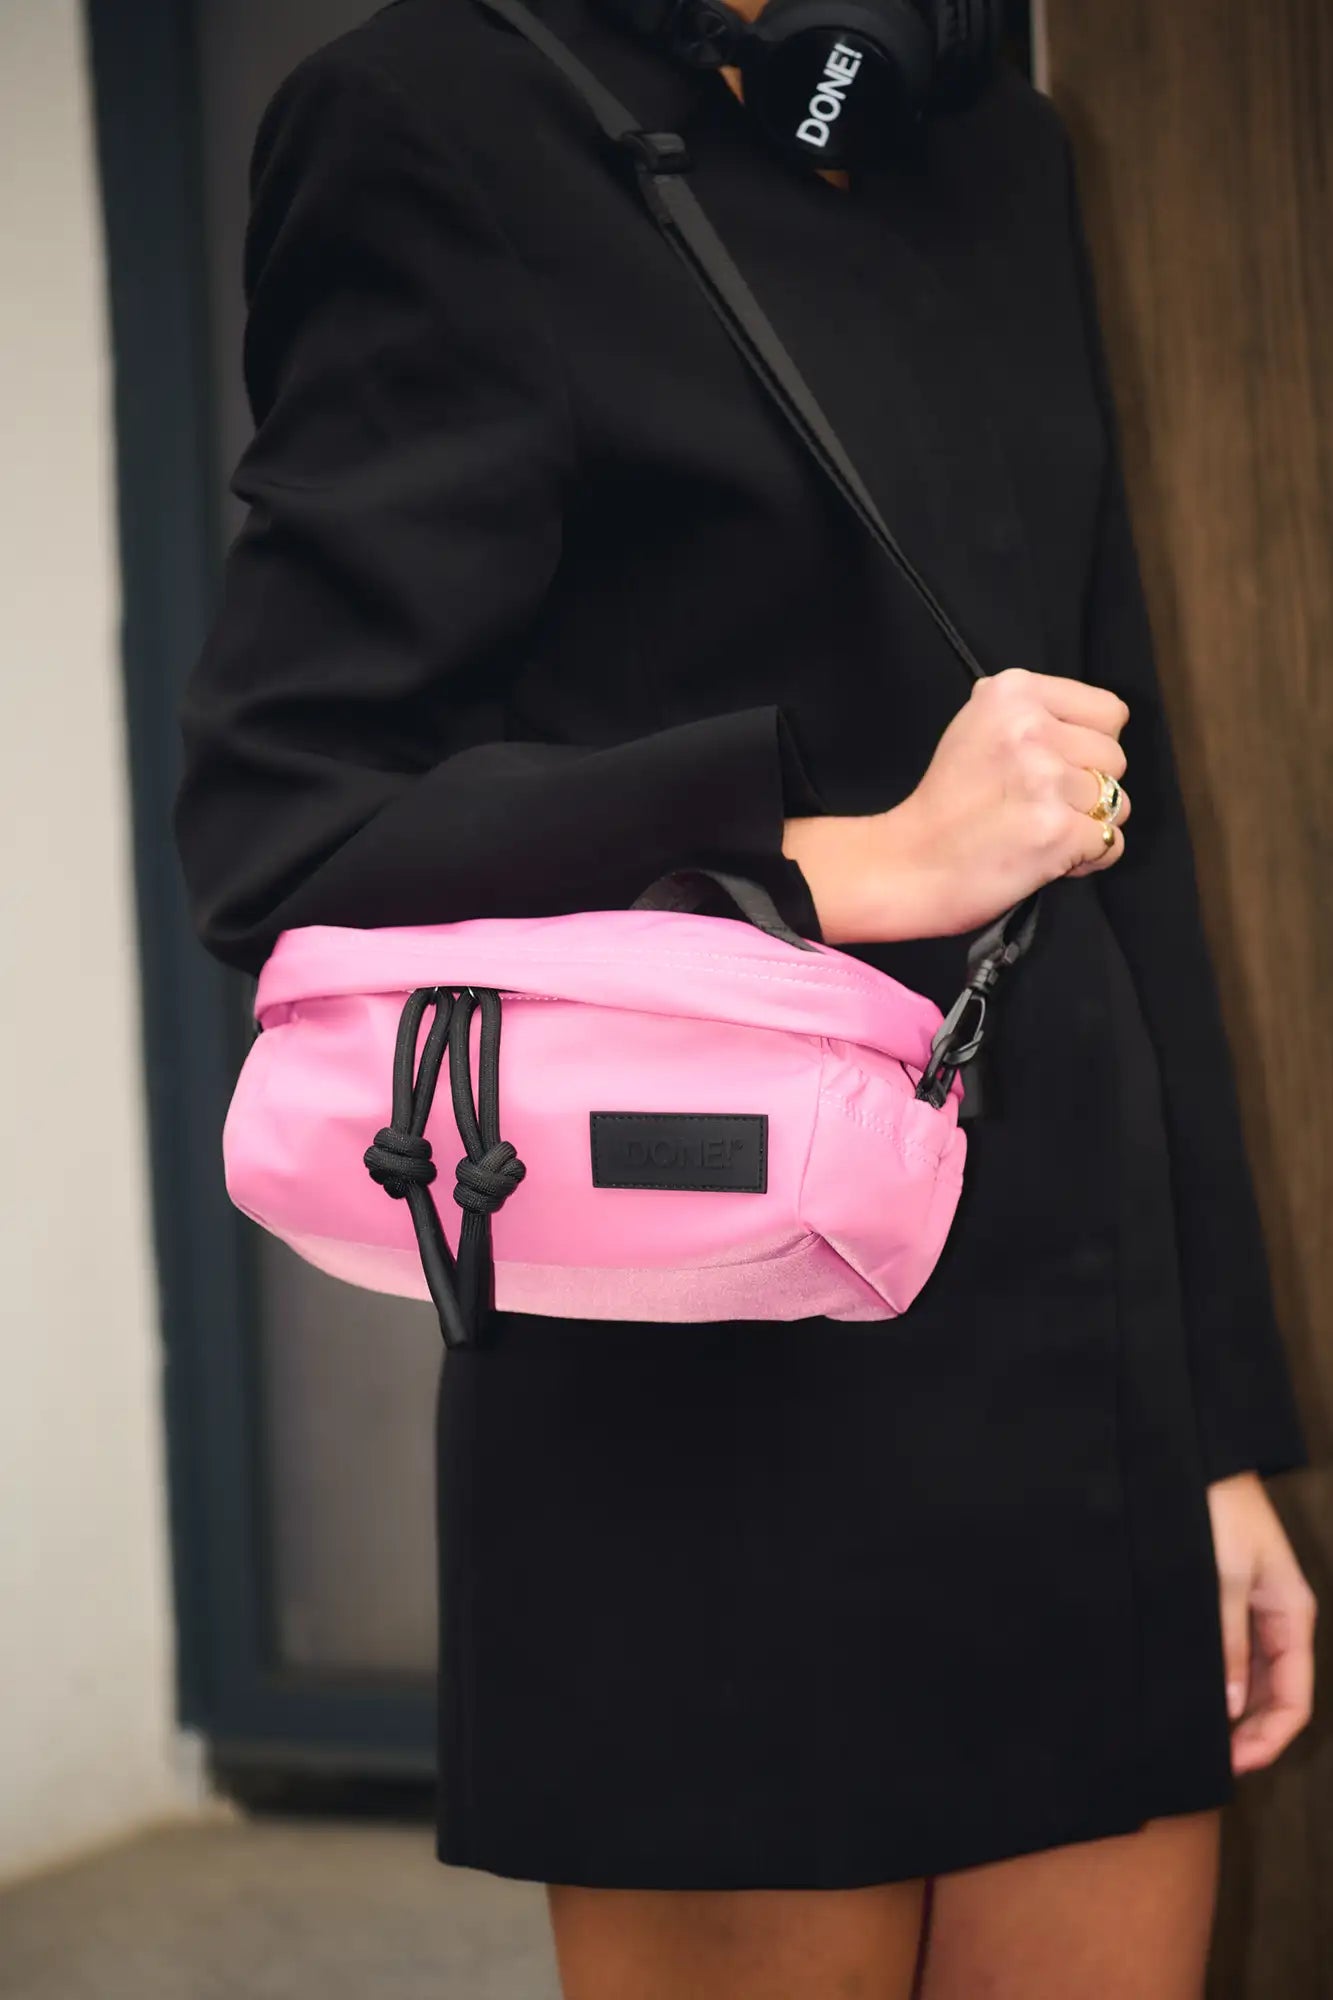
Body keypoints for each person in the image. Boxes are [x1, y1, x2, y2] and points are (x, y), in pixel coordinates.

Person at [172, 0, 1317, 1993]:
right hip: (698, 1395)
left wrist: (1208, 1436)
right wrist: (836, 863)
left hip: (1076, 1361)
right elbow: (286, 834)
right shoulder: (434, 114)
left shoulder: (998, 144)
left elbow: (1118, 819)